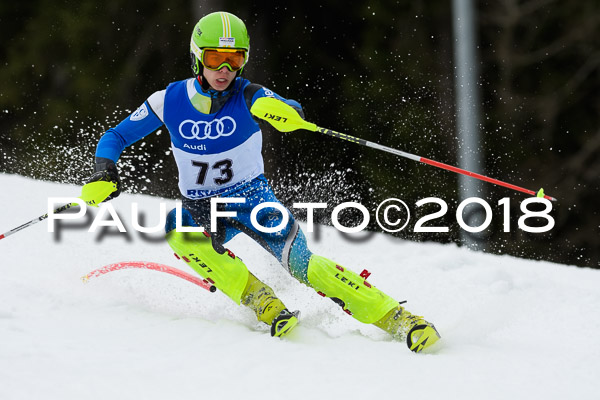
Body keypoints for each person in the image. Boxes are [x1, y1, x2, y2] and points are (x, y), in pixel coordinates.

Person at [85, 11, 440, 352]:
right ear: (197, 58)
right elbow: (115, 137)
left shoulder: (248, 94)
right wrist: (105, 170)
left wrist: (288, 113)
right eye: (214, 59)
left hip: (254, 199)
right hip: (202, 208)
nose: (224, 70)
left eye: (234, 59)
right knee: (178, 230)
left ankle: (399, 318)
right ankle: (262, 301)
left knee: (305, 265)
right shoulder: (168, 101)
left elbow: (285, 106)